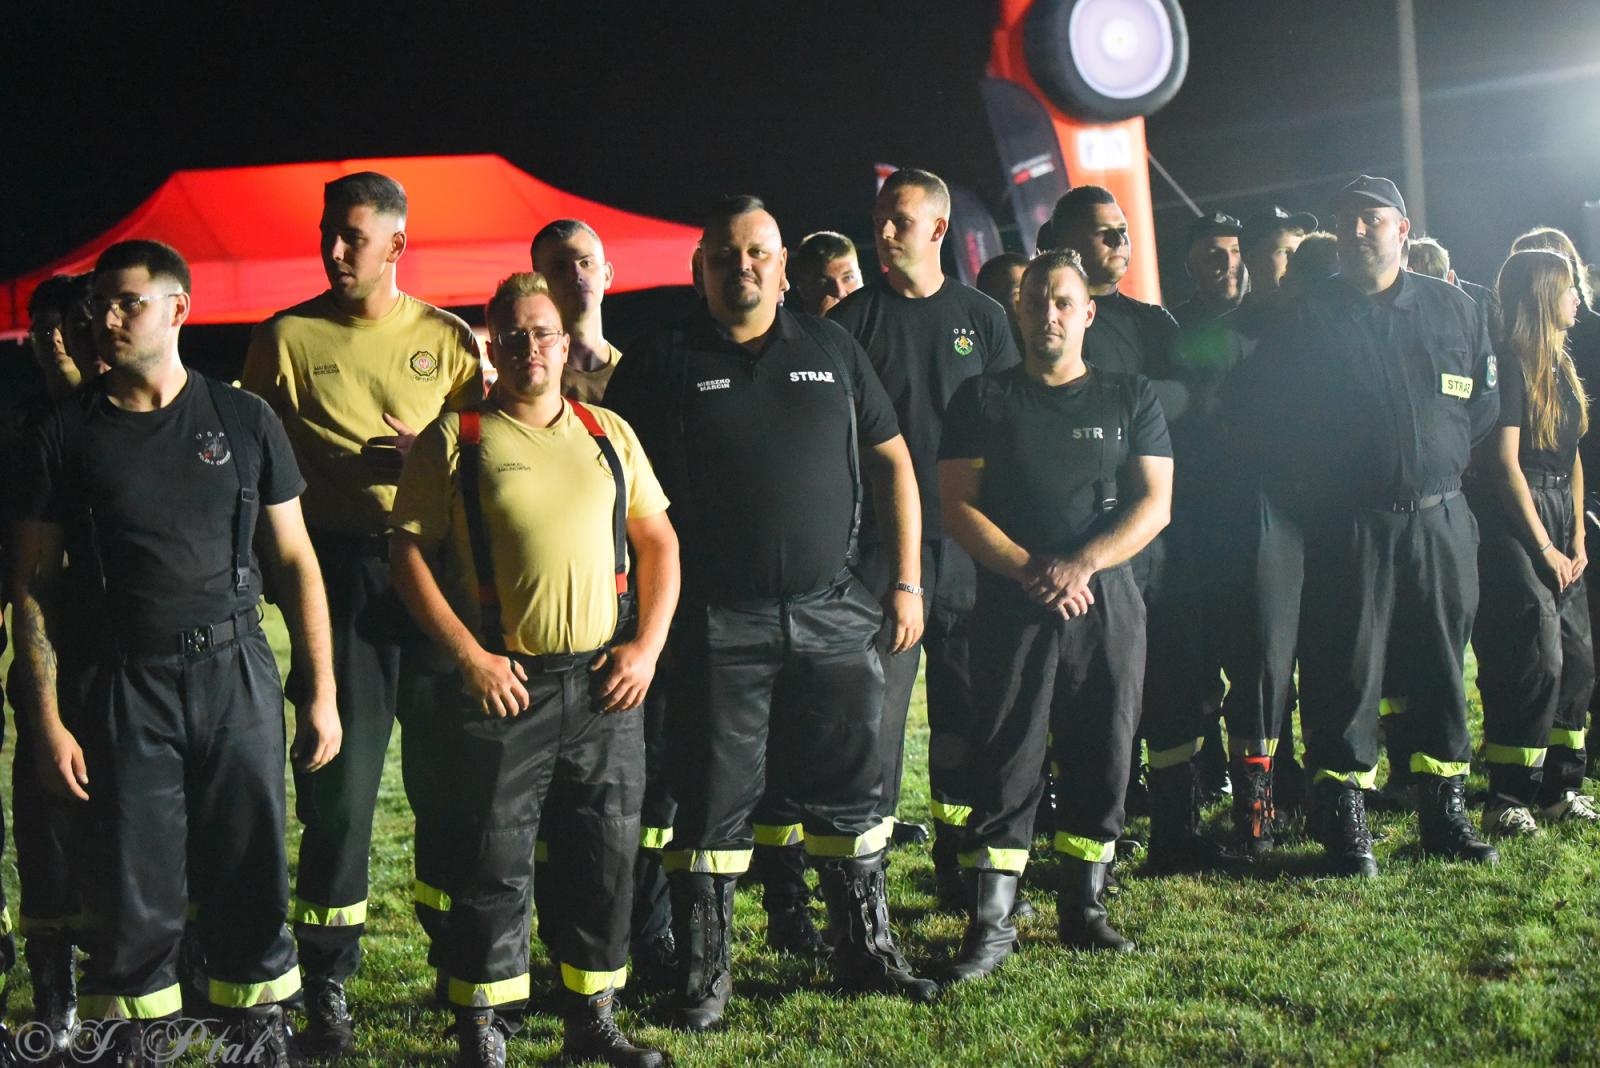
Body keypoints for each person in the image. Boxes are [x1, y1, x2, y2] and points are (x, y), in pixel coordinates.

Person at [606, 195, 937, 1031]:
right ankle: (704, 978)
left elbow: (894, 462)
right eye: (724, 254)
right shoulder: (660, 360)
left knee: (851, 797)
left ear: (783, 264)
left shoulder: (832, 347)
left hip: (833, 614)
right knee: (713, 804)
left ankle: (866, 951)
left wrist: (904, 583)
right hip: (716, 624)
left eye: (757, 252)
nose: (741, 266)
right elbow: (616, 493)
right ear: (700, 268)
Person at [11, 239, 342, 1064]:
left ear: (178, 310)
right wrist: (47, 722)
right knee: (133, 893)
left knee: (252, 876)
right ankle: (134, 1045)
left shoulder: (242, 418)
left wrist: (321, 691)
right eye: (99, 306)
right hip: (122, 684)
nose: (107, 319)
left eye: (127, 303)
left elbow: (297, 561)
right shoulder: (64, 436)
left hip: (235, 676)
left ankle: (256, 1041)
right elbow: (31, 589)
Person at [390, 272, 676, 1068]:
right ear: (491, 343)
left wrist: (646, 647)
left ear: (564, 340)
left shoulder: (606, 429)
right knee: (492, 859)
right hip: (502, 690)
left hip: (603, 688)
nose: (528, 348)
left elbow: (659, 542)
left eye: (541, 332)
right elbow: (406, 554)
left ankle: (592, 1019)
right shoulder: (459, 437)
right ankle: (483, 1031)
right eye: (511, 335)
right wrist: (469, 657)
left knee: (604, 856)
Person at [241, 170, 483, 1053]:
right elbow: (254, 474)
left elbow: (492, 458)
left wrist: (435, 460)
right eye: (329, 233)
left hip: (434, 581)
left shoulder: (448, 339)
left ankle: (463, 966)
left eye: (353, 235)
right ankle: (327, 979)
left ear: (396, 246)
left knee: (451, 783)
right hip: (338, 579)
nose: (335, 249)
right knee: (337, 787)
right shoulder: (285, 338)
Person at [1244, 175, 1501, 875]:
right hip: (1347, 525)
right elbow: (1272, 421)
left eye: (1373, 220)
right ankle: (1344, 817)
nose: (1359, 232)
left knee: (1443, 666)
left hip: (1441, 518)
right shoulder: (1306, 318)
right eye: (1348, 221)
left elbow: (1480, 406)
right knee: (1343, 670)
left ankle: (1443, 811)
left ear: (1404, 228)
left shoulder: (1455, 309)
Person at [940, 248, 1172, 978]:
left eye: (1064, 301)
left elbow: (1155, 504)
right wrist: (1030, 569)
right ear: (1018, 307)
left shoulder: (1130, 395)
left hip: (1107, 600)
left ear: (1088, 311)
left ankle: (1085, 909)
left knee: (1103, 747)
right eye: (1037, 300)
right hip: (1014, 605)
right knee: (1008, 755)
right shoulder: (981, 399)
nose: (1049, 314)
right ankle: (993, 923)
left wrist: (1082, 564)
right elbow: (957, 506)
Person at [829, 168, 1021, 909]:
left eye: (899, 220)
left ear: (939, 230)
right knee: (875, 723)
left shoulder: (984, 318)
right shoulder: (851, 323)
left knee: (970, 716)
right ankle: (864, 884)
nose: (883, 232)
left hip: (972, 549)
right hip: (884, 559)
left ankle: (963, 861)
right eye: (879, 217)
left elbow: (1010, 435)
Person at [1041, 185, 1230, 870]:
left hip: (1153, 540)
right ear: (1056, 237)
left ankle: (1178, 831)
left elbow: (1198, 399)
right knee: (1092, 700)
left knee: (1174, 684)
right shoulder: (1037, 322)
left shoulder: (1153, 327)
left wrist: (1131, 408)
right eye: (1101, 232)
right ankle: (1094, 845)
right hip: (1076, 549)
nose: (1118, 244)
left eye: (1122, 232)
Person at [1470, 249, 1597, 835]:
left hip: (1560, 520)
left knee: (1576, 660)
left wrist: (1576, 541)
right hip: (1516, 522)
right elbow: (1505, 464)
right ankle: (1507, 796)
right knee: (1533, 658)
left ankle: (1559, 788)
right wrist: (1544, 546)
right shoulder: (1510, 365)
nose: (1579, 297)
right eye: (1569, 287)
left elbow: (1571, 459)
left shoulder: (1563, 369)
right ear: (1543, 295)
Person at [530, 219, 624, 402]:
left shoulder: (633, 373)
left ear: (607, 275)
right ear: (538, 284)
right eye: (559, 268)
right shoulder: (529, 380)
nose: (576, 275)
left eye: (586, 263)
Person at [1170, 212, 1246, 327]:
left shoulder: (1270, 318)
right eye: (1214, 254)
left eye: (1236, 251)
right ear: (1190, 267)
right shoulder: (1172, 328)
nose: (1229, 263)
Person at [1239, 206, 1317, 298]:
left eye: (1299, 251)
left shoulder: (1316, 309)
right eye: (1284, 252)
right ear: (1251, 259)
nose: (1294, 260)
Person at [788, 230, 863, 316]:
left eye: (848, 278)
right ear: (803, 288)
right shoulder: (789, 327)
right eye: (824, 282)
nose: (839, 292)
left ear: (860, 276)